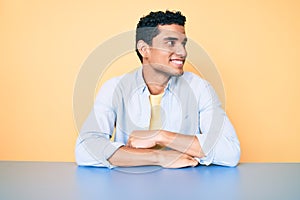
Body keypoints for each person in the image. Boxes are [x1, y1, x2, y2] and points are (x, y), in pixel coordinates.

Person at [75, 10, 240, 168]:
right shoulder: (114, 88)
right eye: (170, 43)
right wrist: (159, 157)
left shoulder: (200, 89)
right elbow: (85, 149)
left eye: (183, 44)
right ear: (144, 50)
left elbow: (230, 151)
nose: (182, 52)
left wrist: (162, 136)